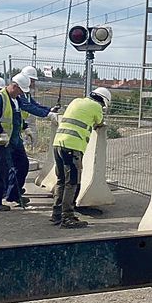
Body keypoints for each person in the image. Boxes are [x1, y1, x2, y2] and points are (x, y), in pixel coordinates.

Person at [51, 87, 111, 228]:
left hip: (58, 143)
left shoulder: (76, 101)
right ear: (103, 101)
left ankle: (57, 214)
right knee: (71, 183)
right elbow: (99, 122)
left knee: (61, 181)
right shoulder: (96, 106)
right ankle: (67, 217)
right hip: (72, 147)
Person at [3, 68, 57, 208]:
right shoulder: (15, 95)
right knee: (11, 166)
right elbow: (28, 107)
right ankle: (9, 193)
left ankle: (13, 193)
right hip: (5, 137)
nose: (33, 84)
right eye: (32, 80)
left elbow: (33, 105)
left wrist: (48, 110)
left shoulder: (22, 94)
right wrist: (47, 115)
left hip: (15, 133)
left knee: (19, 165)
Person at [0, 75, 28, 212]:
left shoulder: (16, 100)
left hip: (14, 139)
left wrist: (25, 127)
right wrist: (0, 131)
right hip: (1, 141)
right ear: (14, 86)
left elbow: (17, 117)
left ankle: (13, 195)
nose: (21, 93)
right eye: (20, 90)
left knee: (22, 165)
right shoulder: (0, 97)